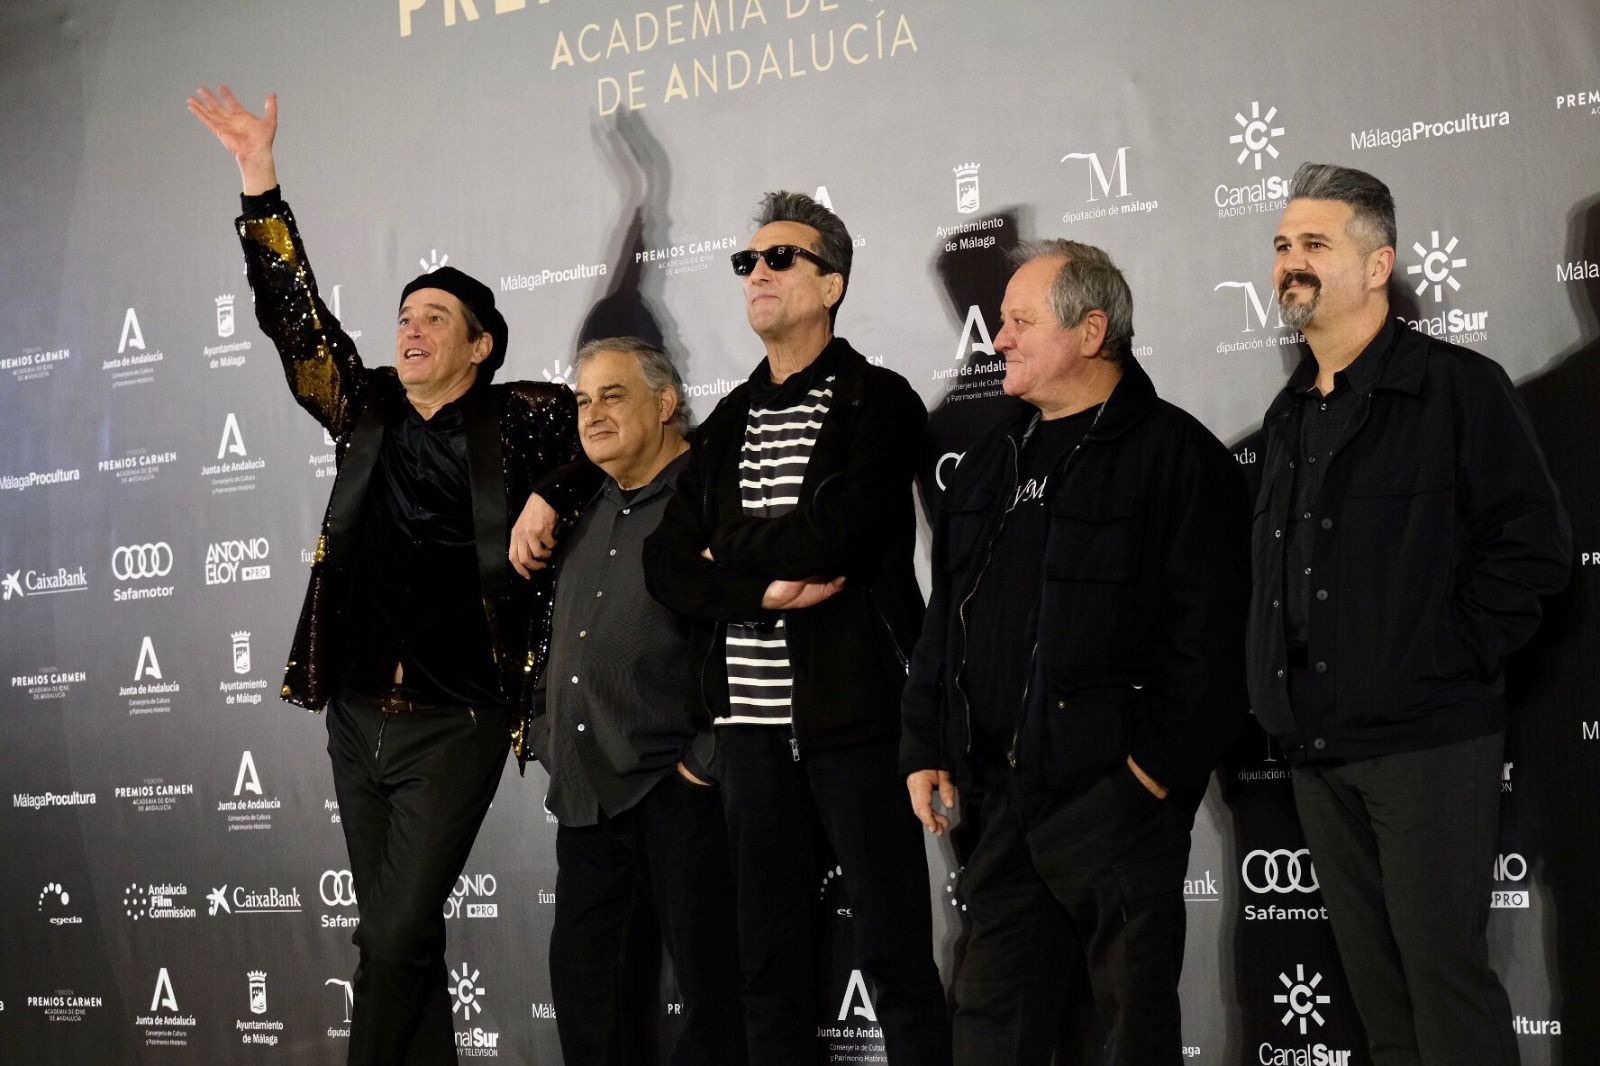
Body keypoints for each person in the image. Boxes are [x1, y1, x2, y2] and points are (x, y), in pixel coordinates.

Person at [189, 86, 594, 1066]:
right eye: (405, 314)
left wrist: (553, 492)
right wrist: (258, 178)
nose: (410, 329)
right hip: (354, 720)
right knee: (401, 946)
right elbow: (294, 320)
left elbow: (623, 429)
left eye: (436, 317)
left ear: (480, 345)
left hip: (457, 723)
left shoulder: (524, 415)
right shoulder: (362, 405)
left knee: (391, 938)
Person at [1248, 162, 1571, 1066]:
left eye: (1314, 244)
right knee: (1380, 1004)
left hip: (1428, 743)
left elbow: (1532, 549)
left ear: (1378, 262)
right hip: (1318, 748)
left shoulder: (1459, 388)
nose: (1290, 264)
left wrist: (1444, 656)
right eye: (1281, 246)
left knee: (1444, 989)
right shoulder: (1287, 418)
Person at [901, 240, 1250, 1065]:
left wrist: (1146, 778)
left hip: (1115, 808)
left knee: (1127, 1039)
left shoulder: (1177, 457)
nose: (999, 340)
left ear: (1091, 330)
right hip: (997, 805)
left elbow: (1213, 645)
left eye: (1020, 321)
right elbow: (946, 619)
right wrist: (926, 743)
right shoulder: (991, 459)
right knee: (990, 1028)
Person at [642, 192, 950, 1065]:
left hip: (857, 722)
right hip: (748, 732)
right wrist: (762, 593)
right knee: (767, 967)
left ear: (832, 283)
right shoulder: (729, 420)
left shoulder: (878, 403)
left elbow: (836, 537)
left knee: (895, 955)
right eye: (747, 262)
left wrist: (725, 550)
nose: (759, 274)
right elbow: (666, 565)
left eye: (781, 258)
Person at [528, 337, 744, 1064]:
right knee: (590, 1008)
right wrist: (546, 731)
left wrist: (702, 763)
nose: (592, 416)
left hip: (678, 791)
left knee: (719, 1003)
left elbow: (745, 633)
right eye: (584, 401)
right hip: (589, 797)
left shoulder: (713, 495)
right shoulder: (583, 505)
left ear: (665, 401)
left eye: (611, 396)